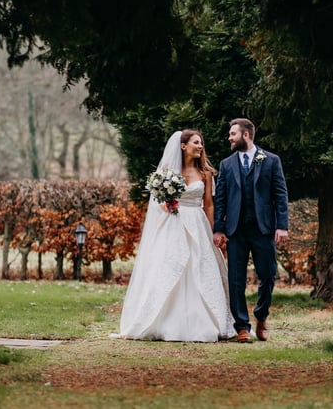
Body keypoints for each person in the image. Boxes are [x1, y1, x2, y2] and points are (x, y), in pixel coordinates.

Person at [116, 129, 235, 342]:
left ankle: (206, 321)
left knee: (200, 266)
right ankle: (164, 321)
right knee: (170, 266)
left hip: (197, 223)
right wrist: (166, 204)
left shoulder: (205, 173)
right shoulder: (167, 172)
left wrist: (214, 230)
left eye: (201, 143)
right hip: (173, 223)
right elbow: (158, 201)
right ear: (183, 146)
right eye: (196, 142)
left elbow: (208, 205)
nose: (200, 146)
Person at [213, 118, 289, 343]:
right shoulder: (226, 165)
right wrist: (219, 228)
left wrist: (282, 225)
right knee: (235, 279)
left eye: (233, 134)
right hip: (236, 230)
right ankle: (242, 327)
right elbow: (220, 200)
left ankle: (261, 316)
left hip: (263, 229)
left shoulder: (271, 160)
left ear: (245, 135)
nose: (229, 138)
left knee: (268, 275)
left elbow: (280, 194)